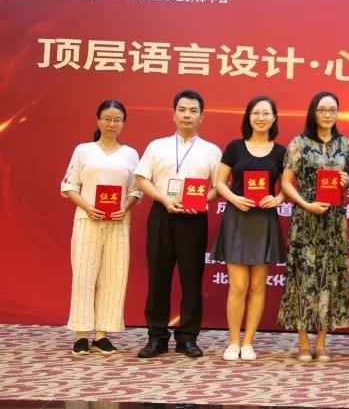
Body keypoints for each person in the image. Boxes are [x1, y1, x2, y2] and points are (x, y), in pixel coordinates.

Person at [134, 89, 221, 358]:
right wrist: (163, 198)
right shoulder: (156, 146)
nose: (187, 115)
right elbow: (141, 179)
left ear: (201, 116)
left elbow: (219, 187)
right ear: (173, 114)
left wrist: (201, 200)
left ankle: (188, 337)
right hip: (162, 214)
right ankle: (156, 337)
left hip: (194, 218)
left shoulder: (211, 151)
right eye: (182, 110)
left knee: (191, 279)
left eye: (193, 111)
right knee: (158, 277)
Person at [61, 100, 141, 355]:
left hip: (118, 222)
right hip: (88, 220)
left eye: (117, 120)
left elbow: (136, 190)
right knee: (83, 275)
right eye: (107, 118)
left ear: (123, 124)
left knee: (114, 276)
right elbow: (69, 186)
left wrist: (125, 207)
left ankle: (102, 335)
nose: (111, 124)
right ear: (98, 121)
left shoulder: (130, 154)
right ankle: (81, 334)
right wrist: (87, 207)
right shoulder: (84, 150)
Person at [278, 91, 349, 362]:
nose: (327, 114)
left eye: (332, 109)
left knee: (329, 277)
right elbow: (286, 182)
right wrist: (304, 204)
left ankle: (321, 343)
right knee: (303, 277)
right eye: (322, 109)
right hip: (305, 218)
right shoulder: (298, 143)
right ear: (313, 112)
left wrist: (346, 181)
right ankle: (302, 342)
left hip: (333, 221)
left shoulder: (345, 145)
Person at [211, 95, 287, 361]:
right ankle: (233, 342)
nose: (261, 118)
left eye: (266, 113)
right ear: (248, 117)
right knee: (238, 286)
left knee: (257, 286)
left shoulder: (281, 152)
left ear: (274, 118)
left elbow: (286, 188)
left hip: (264, 220)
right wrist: (234, 198)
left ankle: (249, 343)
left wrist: (277, 199)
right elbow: (220, 183)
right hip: (237, 218)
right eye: (256, 113)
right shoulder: (234, 147)